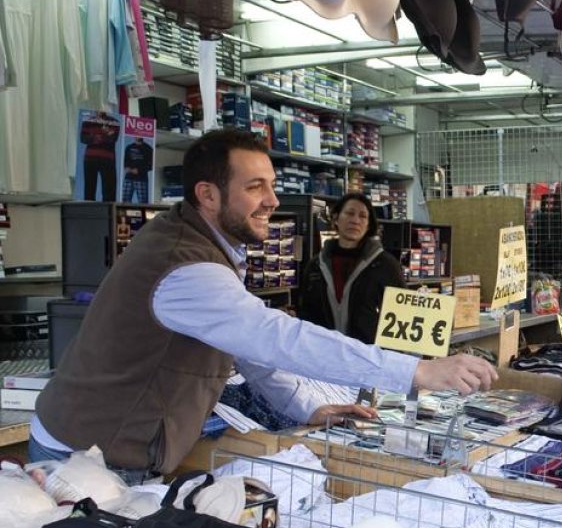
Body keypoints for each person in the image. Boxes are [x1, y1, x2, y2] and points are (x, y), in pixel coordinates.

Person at [31, 130, 497, 482]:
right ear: (208, 195)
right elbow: (273, 337)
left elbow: (247, 348)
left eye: (272, 185)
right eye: (255, 187)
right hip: (85, 456)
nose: (273, 201)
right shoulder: (183, 265)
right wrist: (415, 371)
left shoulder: (203, 243)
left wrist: (305, 408)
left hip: (113, 446)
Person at [298, 192, 403, 345]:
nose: (355, 220)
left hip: (368, 355)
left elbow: (402, 318)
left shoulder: (386, 266)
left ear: (369, 225)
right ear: (336, 218)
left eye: (363, 216)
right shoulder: (315, 266)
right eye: (349, 213)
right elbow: (305, 314)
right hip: (323, 354)